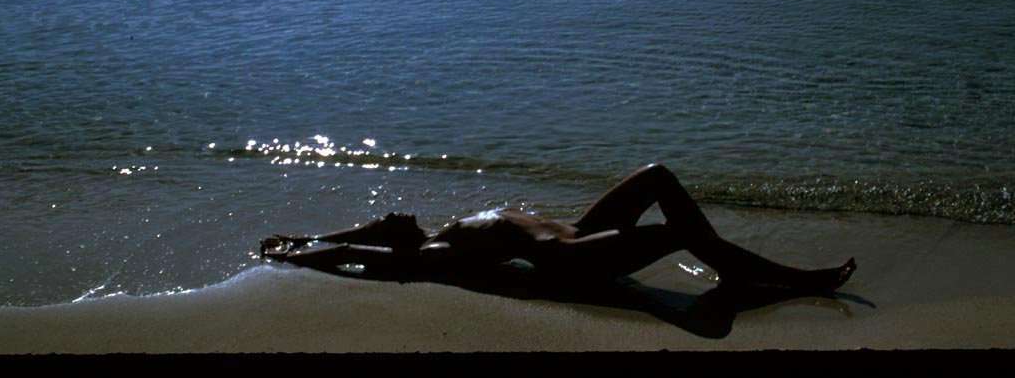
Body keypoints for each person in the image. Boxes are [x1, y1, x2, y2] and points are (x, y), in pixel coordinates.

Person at [260, 163, 856, 295]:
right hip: (577, 259)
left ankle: (727, 261)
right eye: (394, 223)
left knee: (657, 176)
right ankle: (782, 279)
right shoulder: (434, 252)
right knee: (678, 234)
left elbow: (361, 238)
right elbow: (364, 254)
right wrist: (300, 255)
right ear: (399, 238)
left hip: (580, 231)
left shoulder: (443, 232)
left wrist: (309, 236)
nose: (399, 214)